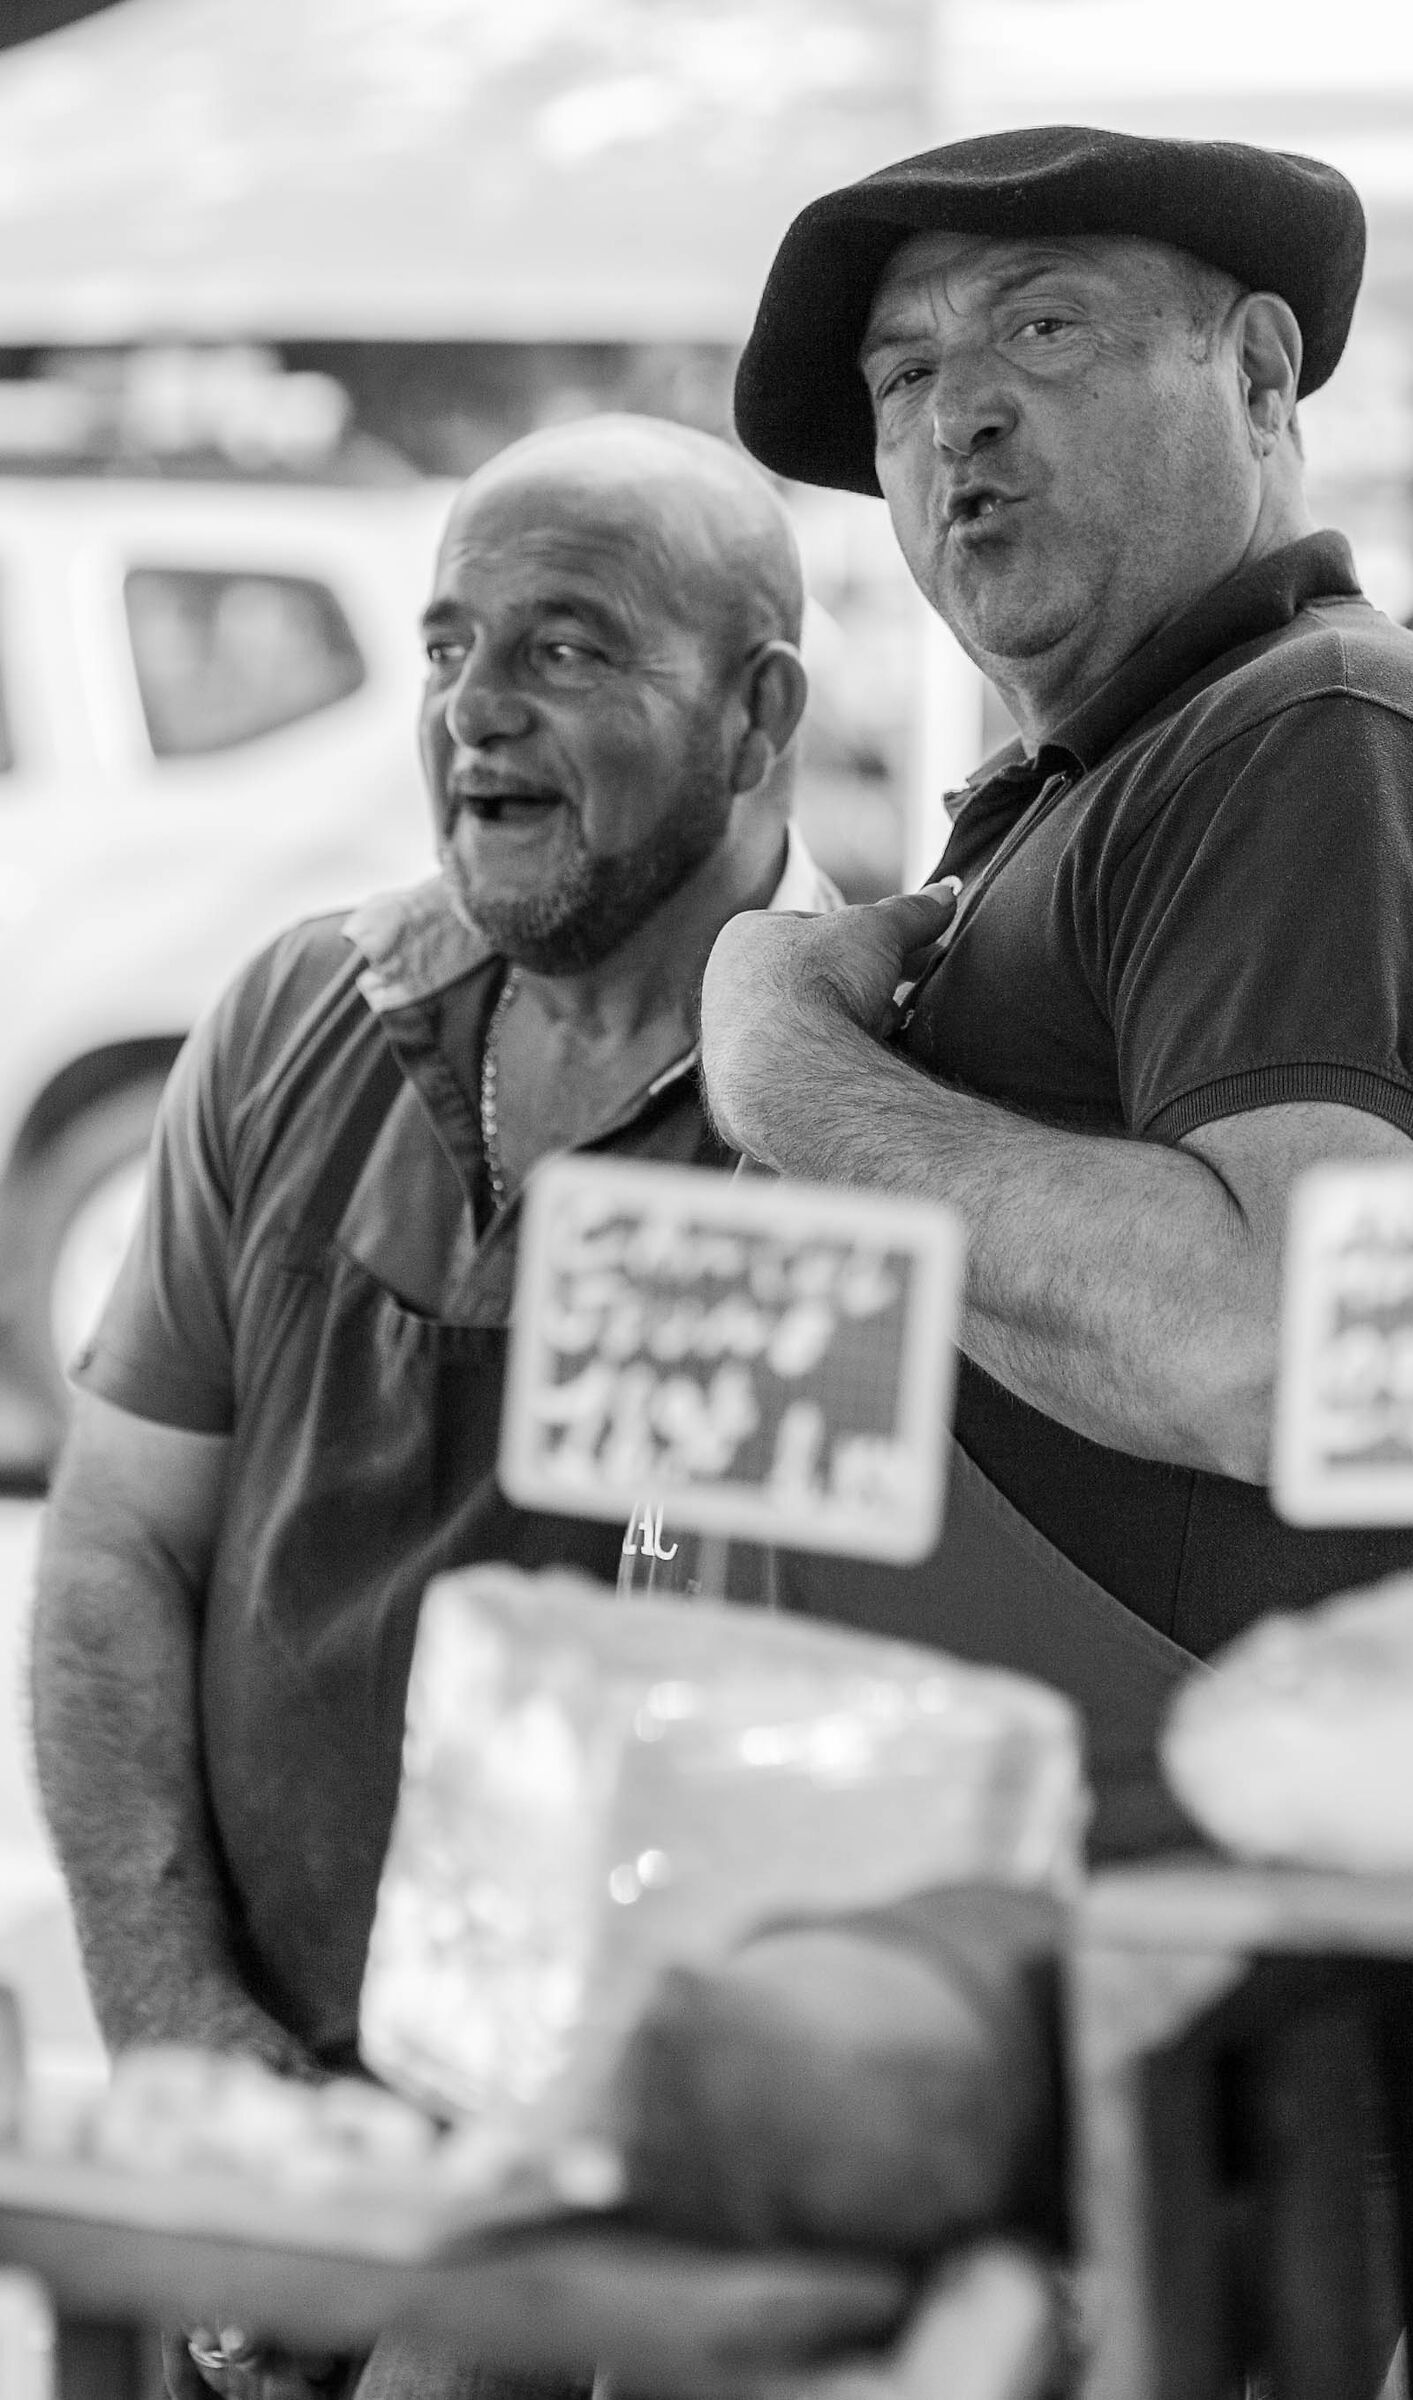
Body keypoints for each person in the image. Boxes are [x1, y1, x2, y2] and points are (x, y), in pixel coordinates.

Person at [651, 125, 1413, 2391]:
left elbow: (1265, 1344)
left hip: (1191, 2032)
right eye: (905, 378)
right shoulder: (1122, 777)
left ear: (1263, 375)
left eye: (1044, 328)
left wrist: (780, 1053)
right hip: (1019, 2002)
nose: (957, 421)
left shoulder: (1330, 738)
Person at [29, 413, 836, 2398]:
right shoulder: (288, 1018)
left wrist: (478, 2285)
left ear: (757, 714)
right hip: (261, 2172)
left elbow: (795, 1756)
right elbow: (116, 1544)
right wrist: (191, 2058)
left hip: (609, 2244)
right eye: (449, 646)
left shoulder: (859, 1109)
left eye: (565, 647)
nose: (475, 710)